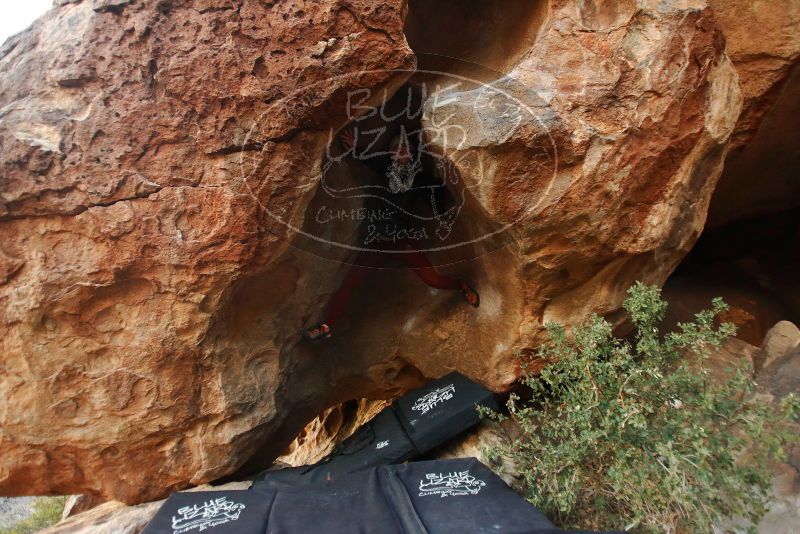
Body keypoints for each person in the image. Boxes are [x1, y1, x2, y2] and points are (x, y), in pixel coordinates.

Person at [303, 128, 479, 340]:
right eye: (396, 148)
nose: (402, 150)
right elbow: (366, 158)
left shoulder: (421, 179)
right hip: (377, 241)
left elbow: (439, 204)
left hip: (402, 241)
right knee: (348, 283)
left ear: (414, 153)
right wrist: (353, 145)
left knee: (432, 279)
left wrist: (446, 174)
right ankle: (326, 326)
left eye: (406, 147)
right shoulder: (385, 168)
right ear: (390, 153)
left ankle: (461, 286)